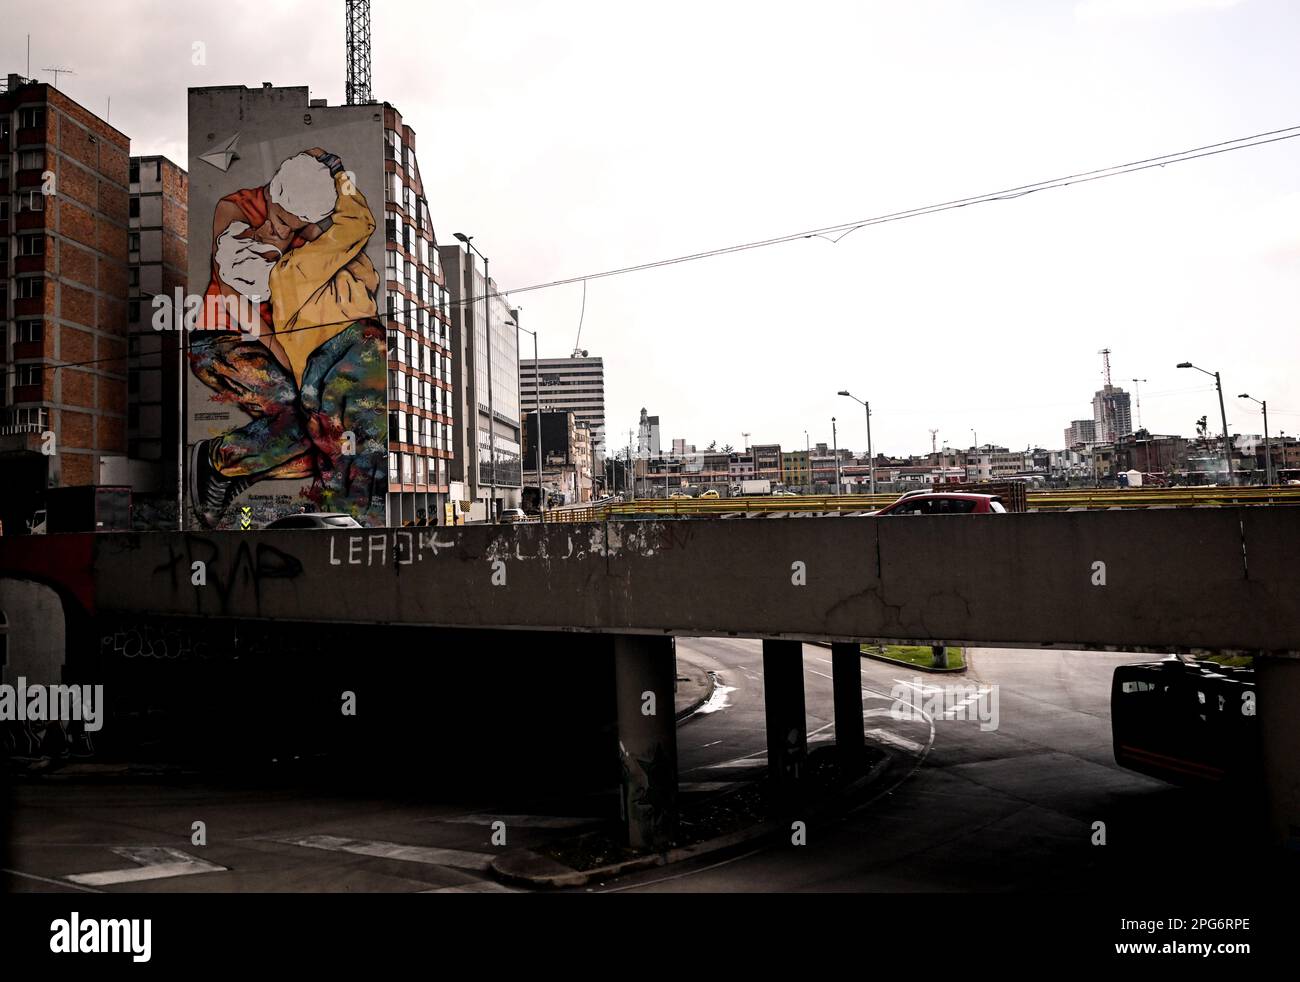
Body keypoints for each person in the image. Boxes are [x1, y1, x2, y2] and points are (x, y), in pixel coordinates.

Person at [188, 149, 386, 528]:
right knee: (298, 415)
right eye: (278, 221)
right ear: (272, 196)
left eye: (291, 227)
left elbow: (350, 256)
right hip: (224, 336)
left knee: (319, 435)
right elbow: (234, 298)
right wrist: (287, 359)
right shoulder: (236, 210)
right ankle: (219, 460)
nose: (281, 233)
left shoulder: (300, 222)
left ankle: (234, 470)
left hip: (282, 338)